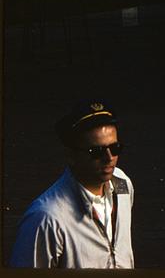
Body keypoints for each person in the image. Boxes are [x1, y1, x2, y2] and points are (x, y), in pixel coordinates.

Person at [10, 100, 134, 268]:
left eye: (115, 148)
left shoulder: (123, 185)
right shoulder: (45, 219)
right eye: (96, 152)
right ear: (71, 156)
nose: (109, 158)